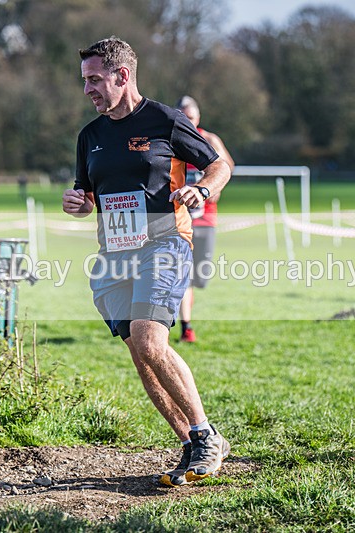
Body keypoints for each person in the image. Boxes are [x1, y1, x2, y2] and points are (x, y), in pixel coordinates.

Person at [62, 37, 232, 487]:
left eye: (95, 80)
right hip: (115, 255)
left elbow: (218, 166)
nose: (88, 90)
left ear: (123, 76)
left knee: (149, 339)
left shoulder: (164, 120)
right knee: (141, 354)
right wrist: (78, 203)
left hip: (164, 243)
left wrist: (202, 189)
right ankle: (191, 444)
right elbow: (89, 195)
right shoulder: (90, 136)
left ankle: (205, 434)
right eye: (85, 81)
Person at [174, 95, 235, 343]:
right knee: (183, 276)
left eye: (190, 117)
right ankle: (185, 327)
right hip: (179, 221)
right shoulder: (171, 141)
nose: (187, 122)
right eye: (183, 117)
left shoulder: (210, 140)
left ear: (198, 117)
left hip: (206, 219)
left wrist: (211, 190)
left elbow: (227, 167)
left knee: (199, 278)